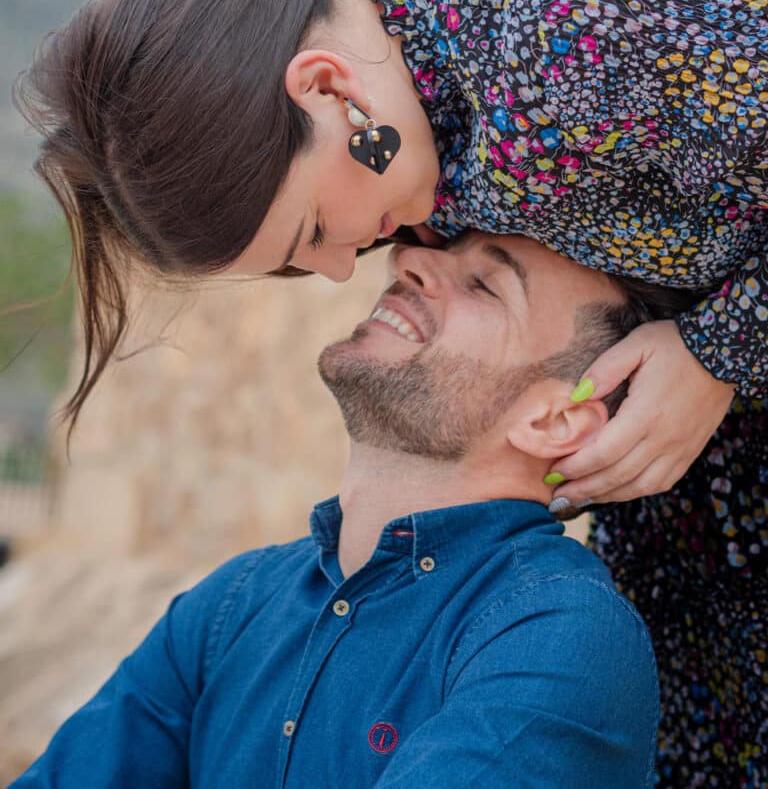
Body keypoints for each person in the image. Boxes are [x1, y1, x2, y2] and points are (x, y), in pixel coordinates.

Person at [12, 0, 767, 785]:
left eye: (312, 233)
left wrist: (725, 346)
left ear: (324, 87)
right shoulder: (383, 51)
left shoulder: (587, 6)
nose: (342, 270)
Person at [10, 233, 661, 788]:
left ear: (555, 421)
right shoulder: (231, 606)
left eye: (486, 286)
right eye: (438, 244)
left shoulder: (561, 634)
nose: (407, 258)